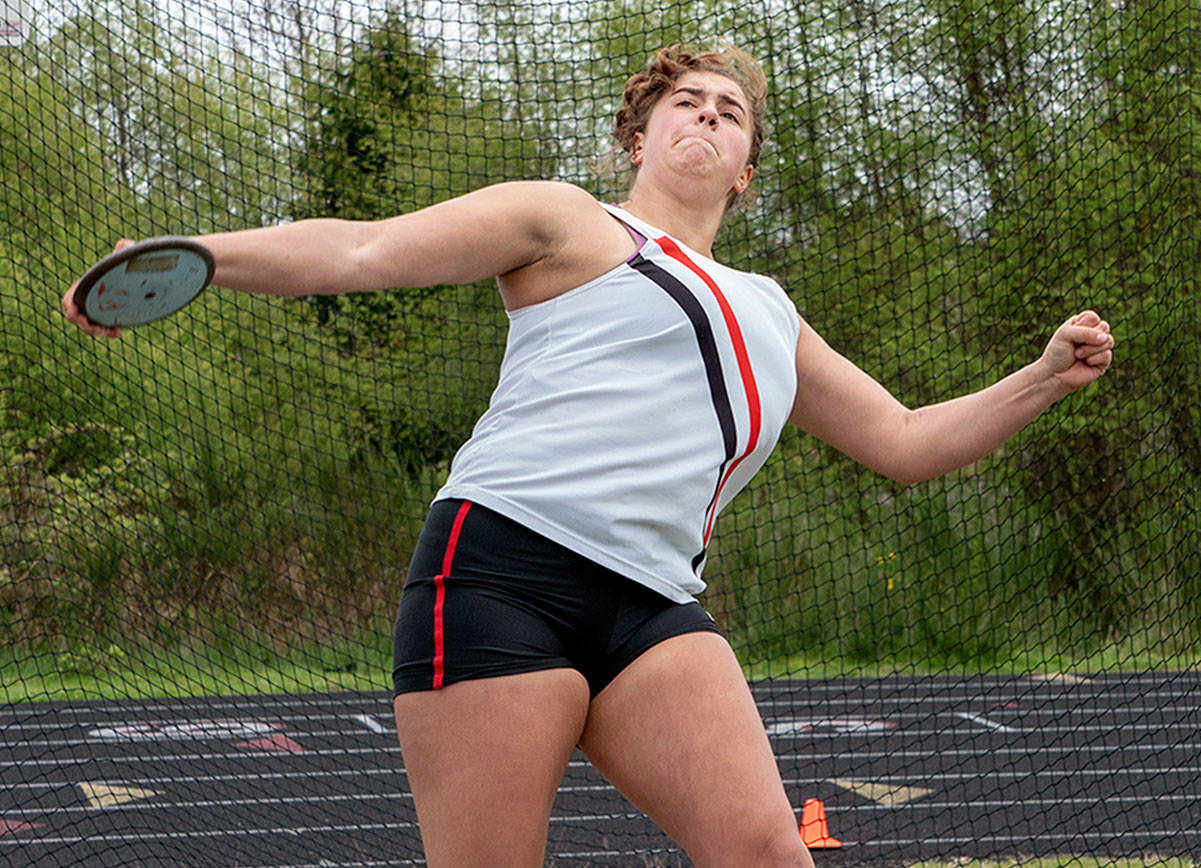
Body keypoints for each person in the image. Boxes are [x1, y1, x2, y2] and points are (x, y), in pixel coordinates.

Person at [64, 41, 1114, 868]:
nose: (706, 115)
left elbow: (906, 441)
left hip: (655, 605)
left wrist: (1042, 375)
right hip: (502, 569)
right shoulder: (567, 222)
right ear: (639, 135)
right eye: (686, 102)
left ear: (746, 172)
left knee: (766, 853)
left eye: (729, 110)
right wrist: (203, 257)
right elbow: (363, 249)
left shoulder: (771, 310)